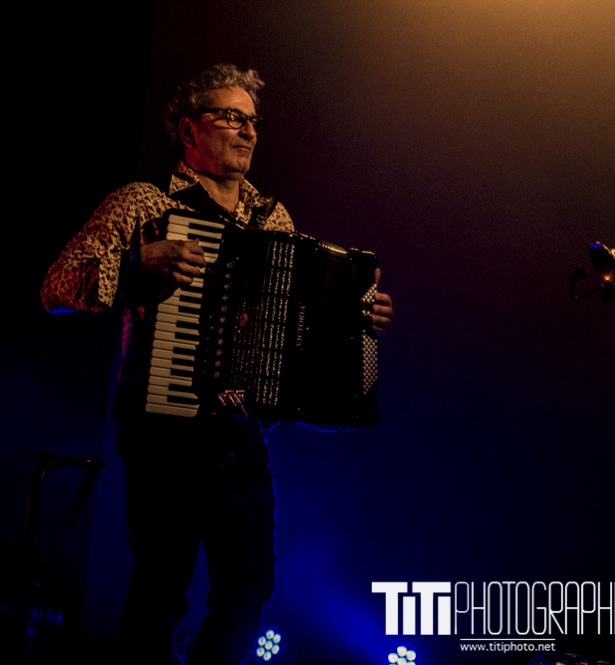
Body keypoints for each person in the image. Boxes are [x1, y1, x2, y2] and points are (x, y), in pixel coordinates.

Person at [40, 64, 394, 665]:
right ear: (189, 129)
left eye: (252, 121)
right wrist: (137, 263)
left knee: (248, 592)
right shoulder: (144, 203)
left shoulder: (272, 218)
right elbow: (55, 288)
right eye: (231, 117)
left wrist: (355, 315)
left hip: (240, 432)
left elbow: (295, 321)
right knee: (161, 588)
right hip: (164, 428)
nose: (248, 131)